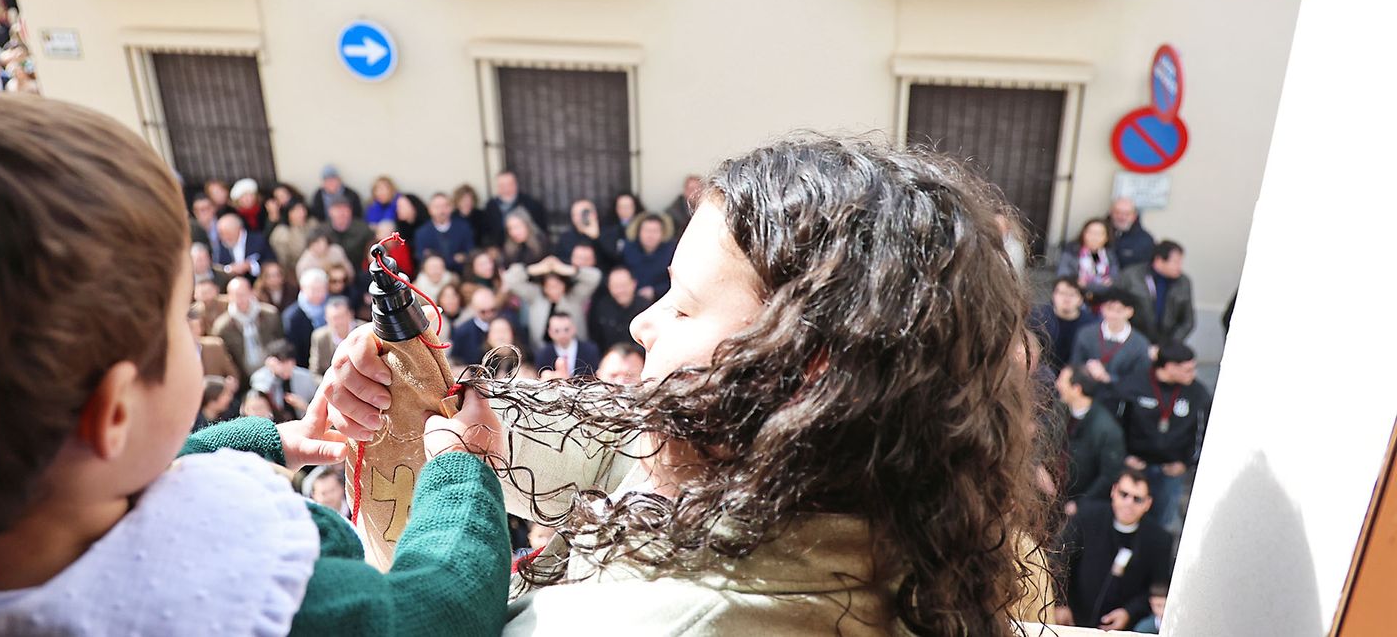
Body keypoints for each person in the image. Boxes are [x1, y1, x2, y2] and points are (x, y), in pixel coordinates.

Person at [0, 92, 511, 637]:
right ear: (114, 411)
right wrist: (462, 471)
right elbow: (428, 614)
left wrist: (265, 440)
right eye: (181, 321)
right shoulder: (248, 594)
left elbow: (77, 484)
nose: (193, 335)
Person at [325, 134, 1055, 635]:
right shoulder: (939, 527)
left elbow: (430, 615)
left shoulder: (648, 622)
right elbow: (610, 449)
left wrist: (444, 466)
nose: (642, 322)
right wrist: (425, 399)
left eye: (682, 305)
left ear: (804, 368)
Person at [1056, 469, 1173, 631]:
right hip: (1071, 618)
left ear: (1147, 504)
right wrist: (1059, 603)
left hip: (1122, 628)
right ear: (1114, 491)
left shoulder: (1159, 539)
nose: (1129, 503)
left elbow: (1157, 589)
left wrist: (1129, 613)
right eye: (1124, 494)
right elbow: (1059, 559)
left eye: (1137, 499)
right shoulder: (1087, 517)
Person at [1121, 341, 1211, 531]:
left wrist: (1186, 463)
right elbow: (1118, 423)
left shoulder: (1198, 394)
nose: (1193, 374)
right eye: (1187, 370)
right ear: (1169, 367)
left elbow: (1203, 433)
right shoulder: (1134, 385)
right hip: (1135, 466)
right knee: (1127, 516)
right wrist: (1124, 456)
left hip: (1171, 470)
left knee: (1162, 523)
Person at [1056, 364, 1127, 511]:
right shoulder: (1058, 410)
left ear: (1076, 389)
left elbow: (1108, 475)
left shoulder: (1107, 430)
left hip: (1076, 505)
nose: (1057, 384)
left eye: (1062, 381)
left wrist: (1080, 504)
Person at [505, 245, 603, 346]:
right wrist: (535, 269)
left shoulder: (575, 297)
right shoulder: (535, 296)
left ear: (565, 285)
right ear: (543, 287)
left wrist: (565, 269)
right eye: (550, 286)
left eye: (558, 285)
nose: (554, 290)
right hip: (541, 350)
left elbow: (595, 277)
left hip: (575, 350)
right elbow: (510, 279)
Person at [1070, 288, 1152, 401]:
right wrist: (1087, 369)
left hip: (1121, 399)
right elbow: (1074, 364)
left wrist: (1108, 378)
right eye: (1109, 308)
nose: (1113, 314)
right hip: (1085, 395)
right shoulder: (1086, 334)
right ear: (1102, 308)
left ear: (1130, 312)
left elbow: (1139, 380)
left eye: (1119, 310)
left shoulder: (1140, 344)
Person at [1119, 241, 1196, 352]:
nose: (1179, 267)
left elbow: (1188, 321)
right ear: (1159, 260)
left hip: (1167, 343)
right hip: (1134, 341)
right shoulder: (1131, 276)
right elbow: (1117, 308)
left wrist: (1170, 345)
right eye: (1175, 262)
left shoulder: (1183, 282)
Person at [213, 276, 286, 379]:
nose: (240, 299)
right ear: (229, 297)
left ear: (251, 292)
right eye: (235, 295)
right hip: (243, 377)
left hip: (272, 372)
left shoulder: (270, 315)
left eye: (243, 294)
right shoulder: (222, 327)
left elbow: (281, 341)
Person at [1034, 277, 1100, 373]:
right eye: (1062, 293)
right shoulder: (1038, 318)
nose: (1066, 299)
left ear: (1081, 299)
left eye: (1072, 294)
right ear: (1053, 295)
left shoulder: (1090, 324)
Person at [251, 339, 319, 422]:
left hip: (301, 421)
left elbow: (318, 407)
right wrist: (273, 374)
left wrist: (303, 406)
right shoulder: (260, 378)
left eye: (290, 362)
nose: (288, 366)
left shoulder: (306, 377)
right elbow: (262, 400)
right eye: (282, 362)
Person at [588, 265, 652, 353]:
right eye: (616, 286)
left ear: (634, 284)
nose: (620, 290)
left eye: (624, 285)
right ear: (609, 287)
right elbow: (595, 339)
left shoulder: (647, 307)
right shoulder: (601, 308)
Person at [1058, 218, 1119, 302]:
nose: (1094, 237)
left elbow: (1114, 278)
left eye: (1099, 234)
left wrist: (1088, 285)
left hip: (1104, 298)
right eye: (1091, 232)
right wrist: (1076, 282)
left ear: (1107, 237)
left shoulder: (1110, 254)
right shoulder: (1071, 251)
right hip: (1075, 296)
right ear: (1083, 234)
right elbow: (1063, 275)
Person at [482, 170, 549, 247]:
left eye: (509, 184)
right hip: (499, 249)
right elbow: (487, 231)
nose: (506, 188)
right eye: (502, 185)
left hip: (528, 248)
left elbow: (541, 231)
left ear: (516, 184)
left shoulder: (532, 204)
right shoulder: (491, 205)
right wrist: (491, 247)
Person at [284, 268, 331, 368]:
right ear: (303, 289)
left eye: (321, 289)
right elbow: (294, 350)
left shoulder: (334, 306)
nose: (318, 294)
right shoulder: (292, 317)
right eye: (314, 290)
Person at [415, 191, 474, 272]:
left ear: (451, 208)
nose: (441, 211)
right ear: (430, 210)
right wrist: (455, 258)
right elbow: (422, 258)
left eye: (445, 206)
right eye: (437, 207)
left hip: (462, 273)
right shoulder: (422, 233)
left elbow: (469, 253)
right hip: (435, 274)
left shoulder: (463, 227)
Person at [309, 297, 366, 379]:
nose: (338, 322)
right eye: (334, 318)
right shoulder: (320, 338)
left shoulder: (364, 331)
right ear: (326, 319)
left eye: (341, 317)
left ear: (350, 315)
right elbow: (315, 372)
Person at [532, 311, 601, 378]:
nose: (562, 335)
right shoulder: (543, 354)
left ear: (574, 329)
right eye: (557, 331)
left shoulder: (590, 350)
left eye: (566, 329)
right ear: (550, 332)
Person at [621, 213, 675, 298]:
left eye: (655, 231)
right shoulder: (628, 250)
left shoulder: (672, 251)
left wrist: (655, 291)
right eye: (646, 230)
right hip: (632, 298)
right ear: (638, 232)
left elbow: (676, 281)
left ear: (663, 233)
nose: (650, 235)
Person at [324, 195, 376, 277]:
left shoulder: (363, 229)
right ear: (330, 211)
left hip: (360, 273)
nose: (341, 213)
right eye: (337, 209)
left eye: (345, 209)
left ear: (350, 211)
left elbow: (373, 246)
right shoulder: (323, 231)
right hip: (331, 276)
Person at [450, 286, 499, 368]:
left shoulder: (504, 325)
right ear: (474, 309)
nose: (489, 315)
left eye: (492, 310)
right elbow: (455, 359)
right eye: (483, 312)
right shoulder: (462, 331)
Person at [269, 199, 316, 284]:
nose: (301, 213)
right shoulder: (281, 232)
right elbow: (282, 261)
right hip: (293, 272)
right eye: (296, 210)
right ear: (288, 213)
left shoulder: (312, 224)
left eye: (302, 209)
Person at [214, 213, 273, 280]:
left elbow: (270, 262)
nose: (224, 238)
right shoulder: (222, 245)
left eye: (227, 233)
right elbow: (218, 267)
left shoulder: (259, 240)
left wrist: (250, 266)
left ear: (239, 229)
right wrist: (229, 269)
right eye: (221, 234)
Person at [555, 198, 610, 267]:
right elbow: (560, 260)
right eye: (575, 214)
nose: (579, 218)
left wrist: (597, 237)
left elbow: (611, 260)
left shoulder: (607, 233)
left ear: (594, 214)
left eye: (584, 213)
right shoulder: (566, 238)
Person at [1108, 198, 1157, 271]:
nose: (1121, 217)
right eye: (1117, 212)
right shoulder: (1098, 232)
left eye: (1127, 214)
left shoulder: (1145, 240)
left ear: (1134, 216)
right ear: (1111, 213)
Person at [453, 183, 488, 247]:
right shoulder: (452, 217)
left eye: (470, 200)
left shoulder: (481, 215)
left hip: (478, 249)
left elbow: (485, 236)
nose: (467, 203)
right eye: (464, 200)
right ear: (457, 201)